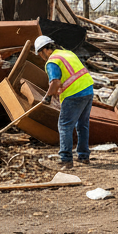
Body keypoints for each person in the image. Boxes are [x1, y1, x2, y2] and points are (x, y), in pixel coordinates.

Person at [35, 35, 94, 170]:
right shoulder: (67, 53)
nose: (41, 57)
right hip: (88, 89)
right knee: (82, 125)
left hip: (74, 94)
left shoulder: (52, 62)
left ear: (44, 50)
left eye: (40, 54)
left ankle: (66, 159)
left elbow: (55, 81)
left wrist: (48, 97)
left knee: (64, 126)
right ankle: (84, 156)